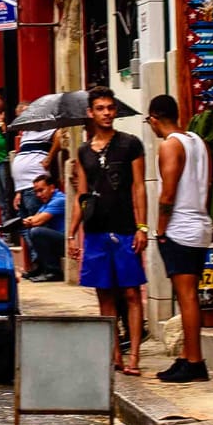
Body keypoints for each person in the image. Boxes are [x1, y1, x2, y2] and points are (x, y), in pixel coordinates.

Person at [68, 87, 148, 375]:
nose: (106, 113)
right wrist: (72, 233)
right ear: (90, 112)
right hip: (95, 231)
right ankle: (115, 355)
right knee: (104, 295)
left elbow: (139, 187)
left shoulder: (130, 144)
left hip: (125, 228)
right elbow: (81, 195)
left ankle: (134, 356)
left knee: (131, 292)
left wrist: (142, 226)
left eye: (110, 108)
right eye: (100, 108)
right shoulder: (83, 151)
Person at [148, 94, 213, 384]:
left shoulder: (170, 145)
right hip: (199, 224)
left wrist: (160, 230)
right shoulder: (198, 142)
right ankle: (187, 355)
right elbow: (207, 183)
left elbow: (168, 194)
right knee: (189, 294)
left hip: (181, 227)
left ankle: (195, 361)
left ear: (153, 119)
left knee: (186, 296)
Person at [17, 175, 67, 282]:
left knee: (37, 231)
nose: (38, 195)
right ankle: (41, 267)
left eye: (41, 190)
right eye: (36, 192)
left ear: (52, 187)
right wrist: (30, 221)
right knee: (32, 230)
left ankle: (53, 271)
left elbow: (37, 220)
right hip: (57, 241)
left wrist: (30, 221)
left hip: (66, 243)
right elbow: (35, 217)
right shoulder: (48, 201)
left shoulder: (59, 200)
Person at [9, 126, 54, 218]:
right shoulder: (26, 133)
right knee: (25, 223)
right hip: (23, 188)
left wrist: (50, 157)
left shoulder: (47, 128)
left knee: (36, 221)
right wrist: (19, 191)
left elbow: (60, 136)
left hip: (34, 184)